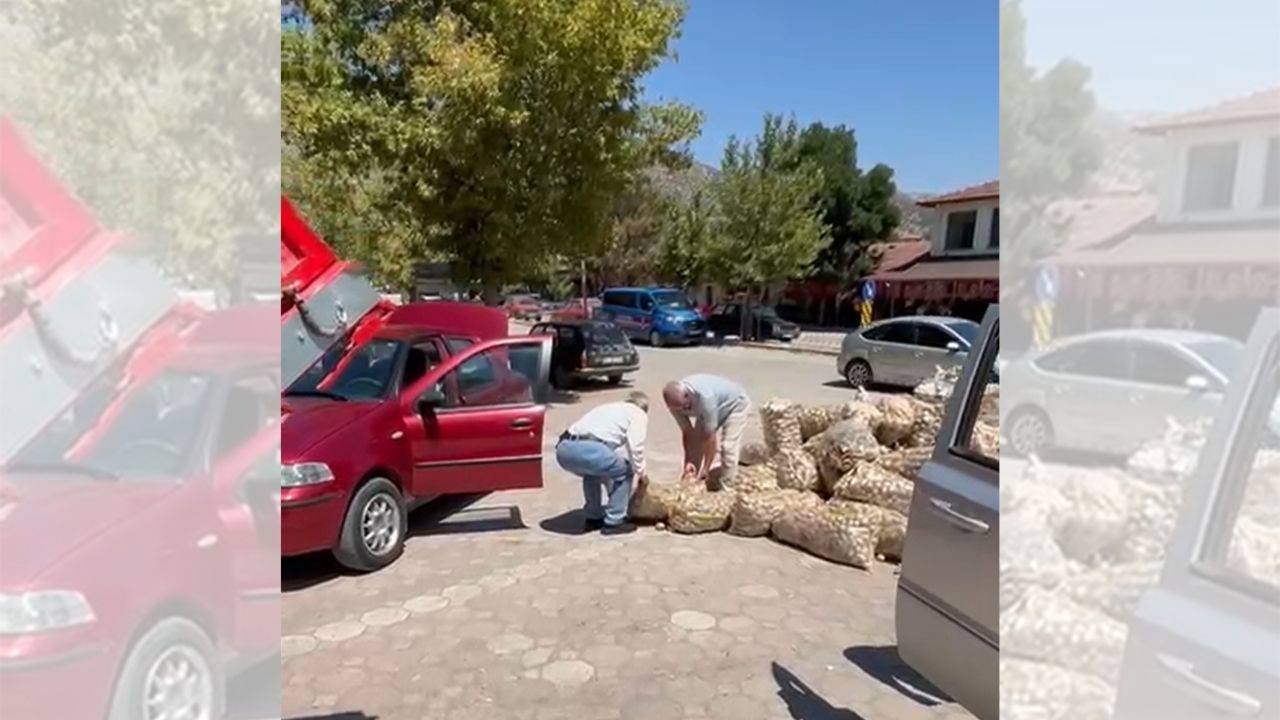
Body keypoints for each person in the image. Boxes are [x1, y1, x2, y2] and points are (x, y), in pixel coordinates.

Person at [554, 391, 649, 535]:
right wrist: (641, 472)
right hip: (589, 448)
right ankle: (615, 520)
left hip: (564, 449)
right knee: (626, 471)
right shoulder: (638, 413)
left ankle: (593, 517)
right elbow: (635, 447)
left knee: (593, 471)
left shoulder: (609, 408)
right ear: (644, 408)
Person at [663, 374, 752, 490]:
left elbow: (710, 436)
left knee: (728, 447)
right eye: (679, 409)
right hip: (711, 407)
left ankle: (727, 486)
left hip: (736, 404)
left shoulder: (705, 398)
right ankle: (692, 479)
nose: (684, 410)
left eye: (685, 406)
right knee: (697, 443)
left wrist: (706, 468)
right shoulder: (675, 406)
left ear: (687, 395)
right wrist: (689, 462)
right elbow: (688, 432)